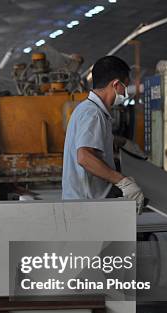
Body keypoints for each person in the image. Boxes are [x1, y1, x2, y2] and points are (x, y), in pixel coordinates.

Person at [62, 56, 145, 214]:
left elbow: (93, 145)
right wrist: (123, 182)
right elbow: (84, 157)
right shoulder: (93, 113)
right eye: (125, 87)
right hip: (86, 208)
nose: (125, 93)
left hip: (86, 204)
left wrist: (120, 142)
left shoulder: (88, 109)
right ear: (115, 84)